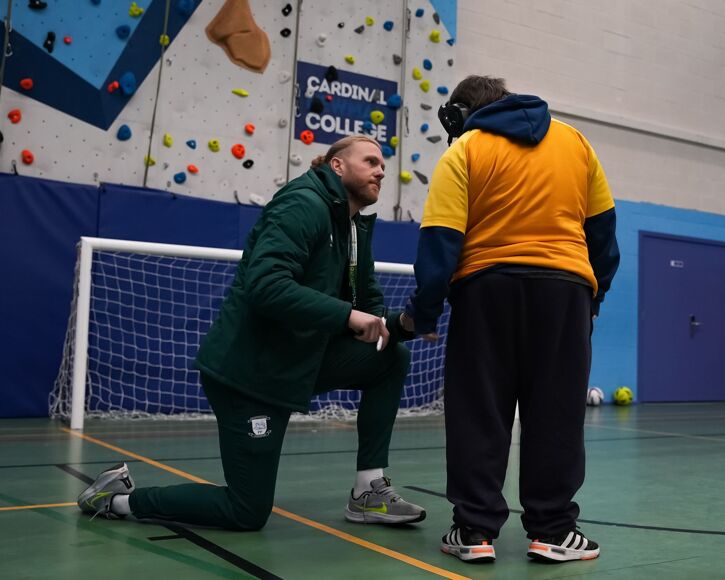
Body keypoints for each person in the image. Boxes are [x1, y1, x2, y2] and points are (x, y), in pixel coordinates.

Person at [78, 135, 426, 530]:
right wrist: (347, 316)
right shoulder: (303, 204)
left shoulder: (353, 227)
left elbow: (371, 311)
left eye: (383, 165)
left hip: (295, 362)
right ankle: (117, 500)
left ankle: (367, 492)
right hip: (250, 374)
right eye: (370, 161)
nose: (381, 171)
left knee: (390, 356)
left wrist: (405, 324)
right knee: (246, 510)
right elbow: (267, 286)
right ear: (337, 165)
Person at [403, 76, 619, 563]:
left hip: (486, 290)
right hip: (565, 290)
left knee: (479, 411)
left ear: (460, 115)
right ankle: (554, 531)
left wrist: (425, 312)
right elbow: (603, 230)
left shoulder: (465, 150)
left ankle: (474, 531)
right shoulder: (575, 142)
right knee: (558, 412)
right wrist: (595, 294)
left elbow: (440, 239)